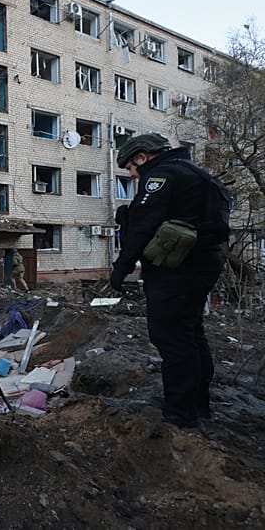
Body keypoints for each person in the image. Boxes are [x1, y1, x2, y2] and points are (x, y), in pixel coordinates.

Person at [110, 133, 226, 429]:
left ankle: (180, 415)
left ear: (142, 157)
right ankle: (198, 406)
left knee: (170, 337)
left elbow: (144, 224)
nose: (133, 175)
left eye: (131, 168)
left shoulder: (161, 175)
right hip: (202, 265)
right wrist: (130, 214)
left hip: (176, 270)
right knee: (190, 333)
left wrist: (121, 267)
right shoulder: (194, 173)